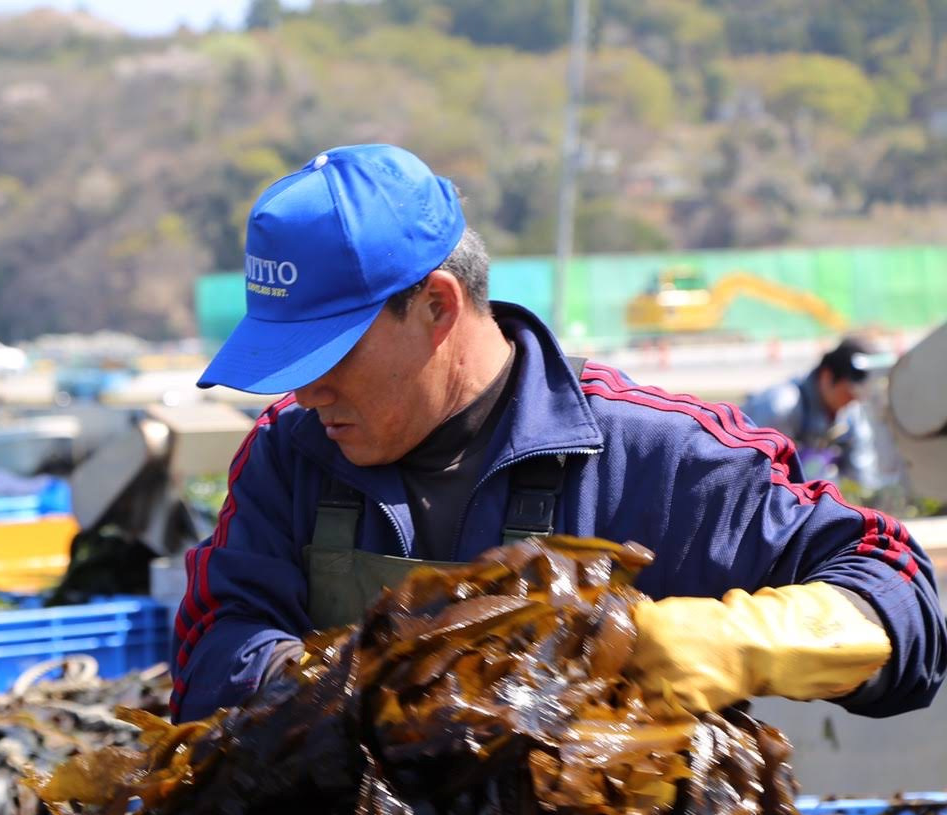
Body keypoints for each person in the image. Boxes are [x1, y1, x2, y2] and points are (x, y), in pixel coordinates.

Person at [171, 144, 944, 725]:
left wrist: (746, 640)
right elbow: (213, 641)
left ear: (438, 306)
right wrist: (324, 679)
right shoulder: (289, 455)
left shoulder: (652, 453)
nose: (306, 391)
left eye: (329, 352)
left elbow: (899, 586)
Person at [742, 337, 888, 492]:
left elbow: (861, 477)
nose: (855, 399)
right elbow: (751, 473)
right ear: (827, 376)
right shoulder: (781, 407)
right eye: (850, 391)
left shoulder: (850, 414)